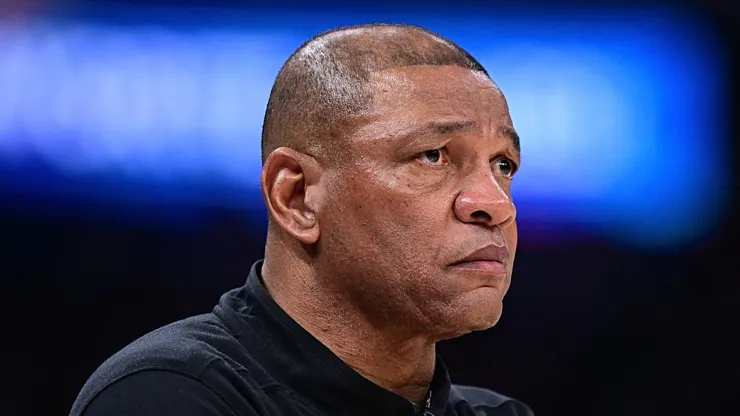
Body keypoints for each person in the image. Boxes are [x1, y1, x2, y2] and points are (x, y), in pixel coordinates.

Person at [70, 23, 533, 416]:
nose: (495, 204)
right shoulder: (166, 397)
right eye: (432, 156)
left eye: (503, 165)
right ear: (296, 197)